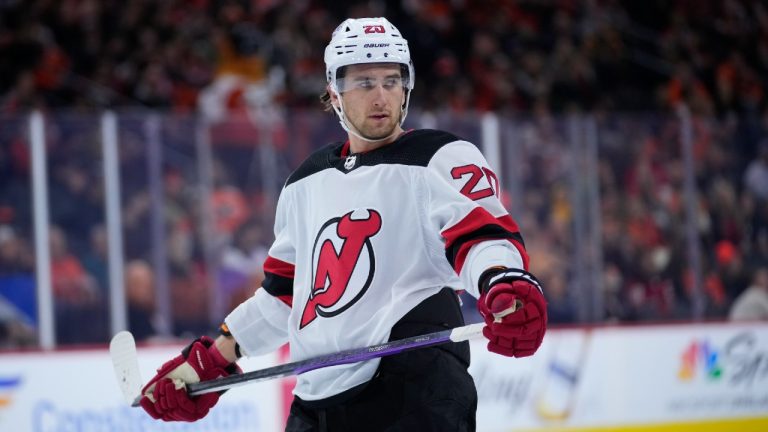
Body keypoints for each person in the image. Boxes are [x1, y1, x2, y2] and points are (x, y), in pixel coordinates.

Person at [138, 17, 547, 430]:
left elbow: (481, 236)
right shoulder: (305, 181)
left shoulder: (438, 156)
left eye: (392, 80)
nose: (382, 96)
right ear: (334, 91)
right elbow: (284, 296)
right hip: (316, 403)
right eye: (364, 83)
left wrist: (502, 282)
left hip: (413, 388)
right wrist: (210, 359)